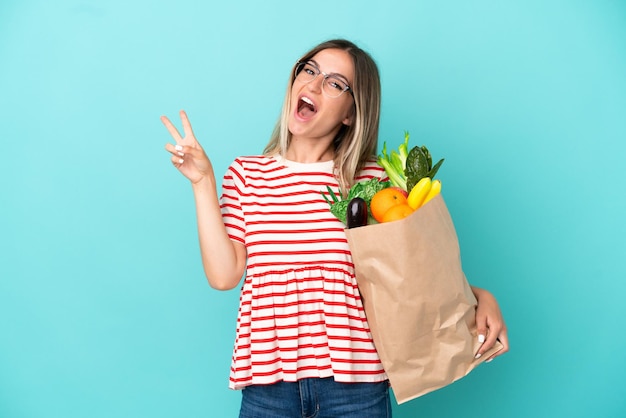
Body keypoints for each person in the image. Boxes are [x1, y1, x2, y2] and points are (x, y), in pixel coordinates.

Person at [162, 38, 509, 417]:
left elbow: (410, 277)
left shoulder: (370, 182)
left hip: (356, 389)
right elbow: (224, 275)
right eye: (309, 70)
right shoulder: (248, 175)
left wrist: (479, 295)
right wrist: (202, 182)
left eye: (334, 82)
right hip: (267, 388)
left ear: (350, 113)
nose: (312, 83)